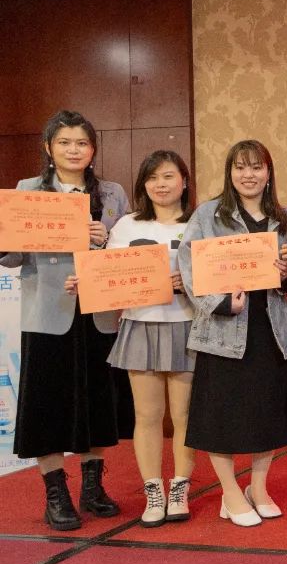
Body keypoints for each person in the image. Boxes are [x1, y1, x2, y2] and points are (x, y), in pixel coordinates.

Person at [0, 110, 130, 531]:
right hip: (47, 311)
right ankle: (56, 494)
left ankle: (93, 487)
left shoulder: (112, 193)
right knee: (46, 404)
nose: (74, 150)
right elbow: (13, 257)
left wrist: (104, 242)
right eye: (65, 142)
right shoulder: (28, 190)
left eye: (82, 143)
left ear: (93, 150)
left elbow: (128, 254)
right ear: (48, 148)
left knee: (97, 401)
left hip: (99, 312)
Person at [65, 150, 197, 528]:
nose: (160, 185)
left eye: (168, 176)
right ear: (143, 185)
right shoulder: (126, 225)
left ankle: (180, 489)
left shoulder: (200, 223)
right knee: (147, 416)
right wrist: (85, 284)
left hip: (186, 325)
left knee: (184, 416)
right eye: (152, 178)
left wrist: (189, 282)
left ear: (184, 181)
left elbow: (215, 274)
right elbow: (108, 275)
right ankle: (153, 491)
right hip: (140, 325)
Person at [179, 139, 287, 528]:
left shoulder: (286, 217)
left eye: (256, 167)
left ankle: (258, 489)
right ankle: (230, 493)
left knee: (268, 413)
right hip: (223, 330)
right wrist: (218, 303)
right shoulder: (209, 213)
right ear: (230, 173)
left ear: (268, 173)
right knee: (221, 415)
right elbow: (188, 264)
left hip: (270, 328)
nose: (249, 175)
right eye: (240, 167)